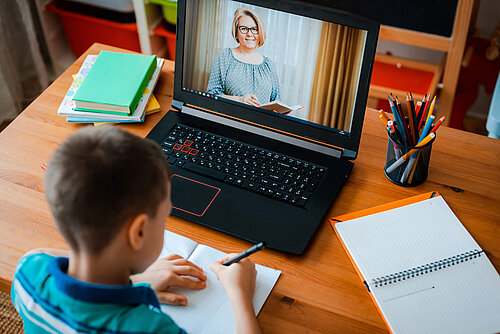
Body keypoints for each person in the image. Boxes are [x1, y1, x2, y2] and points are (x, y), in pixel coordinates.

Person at [11, 126, 261, 334]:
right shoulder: (150, 328)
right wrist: (241, 294)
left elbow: (42, 252)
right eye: (164, 218)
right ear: (138, 233)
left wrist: (135, 281)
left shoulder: (28, 272)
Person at [207, 7, 280, 107]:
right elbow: (212, 95)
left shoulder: (269, 64)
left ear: (260, 32)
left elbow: (276, 100)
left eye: (254, 29)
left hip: (259, 122)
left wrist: (280, 110)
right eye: (244, 29)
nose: (249, 34)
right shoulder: (225, 56)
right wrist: (240, 99)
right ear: (236, 32)